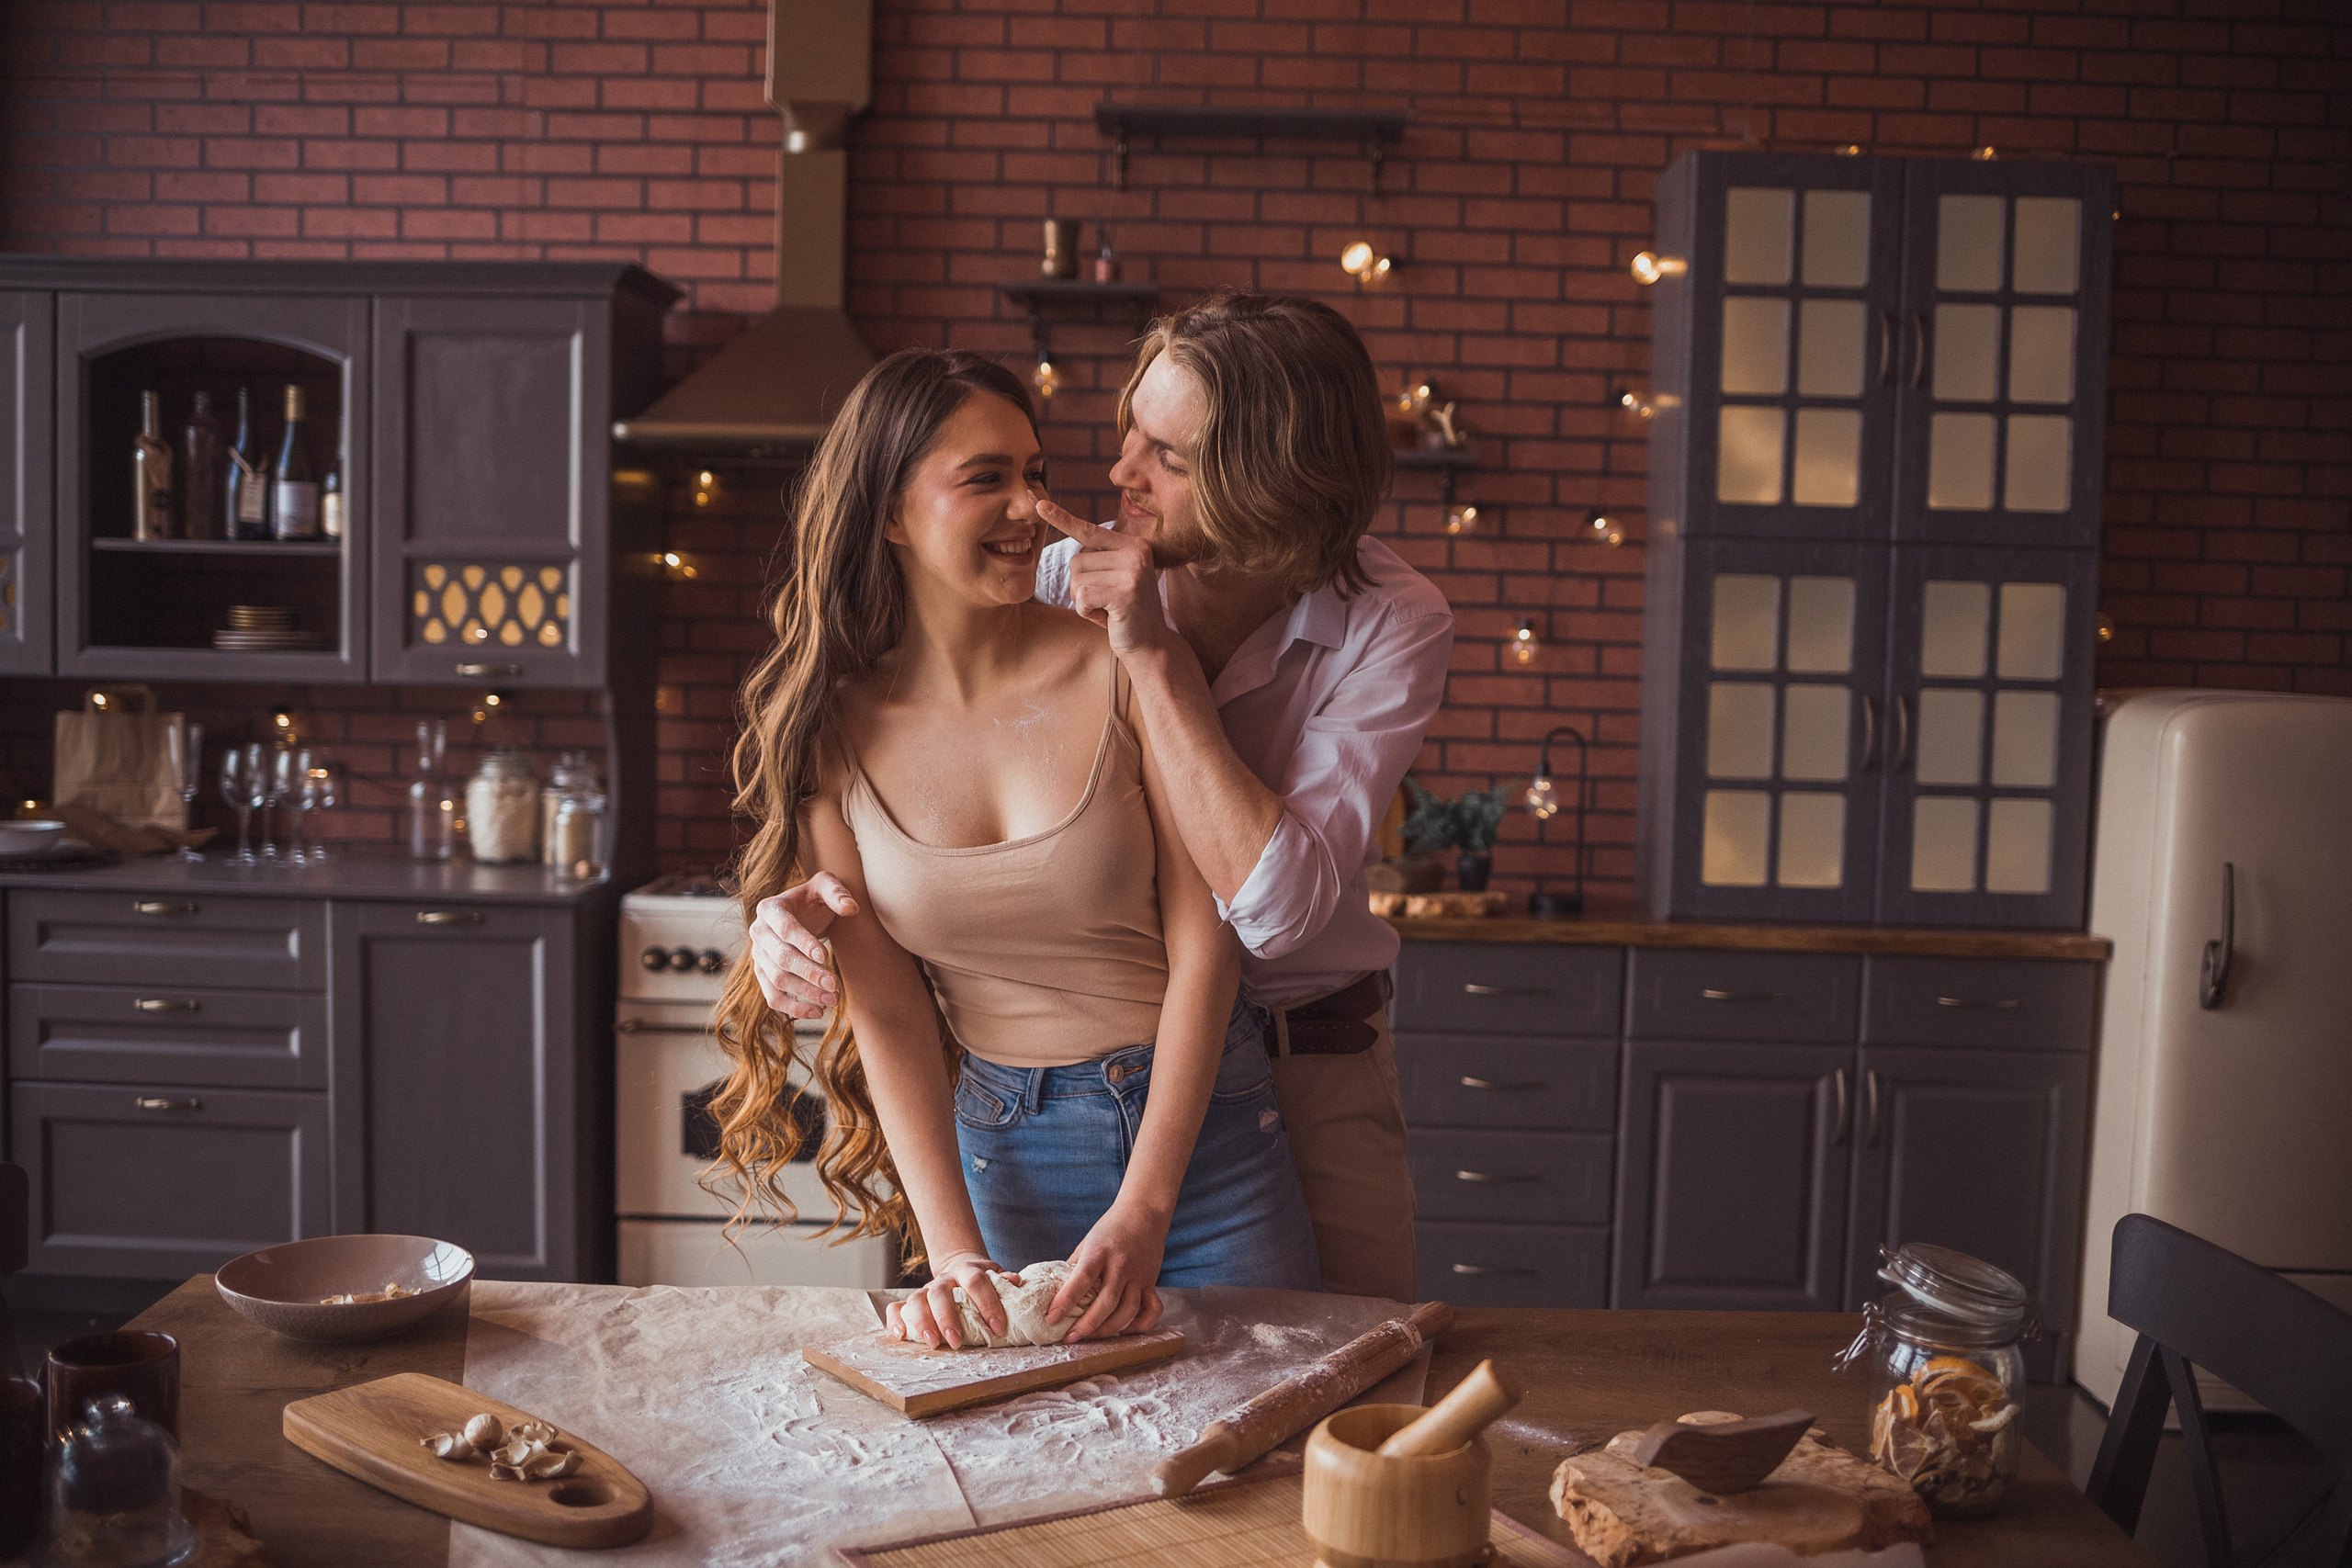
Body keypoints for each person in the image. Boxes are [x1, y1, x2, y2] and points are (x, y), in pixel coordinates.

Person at [752, 293, 1456, 1302]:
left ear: (1261, 481)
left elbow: (1264, 914)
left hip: (1307, 1046)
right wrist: (788, 912)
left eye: (1166, 454)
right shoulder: (1041, 582)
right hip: (1028, 1112)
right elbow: (890, 962)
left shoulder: (1385, 620)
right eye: (1131, 431)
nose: (1118, 473)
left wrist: (1153, 654)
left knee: (1354, 1355)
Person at [707, 345, 1320, 1350]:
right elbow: (891, 1011)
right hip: (1009, 1158)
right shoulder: (830, 729)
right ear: (890, 512)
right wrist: (953, 1253)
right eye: (985, 477)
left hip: (1207, 1144)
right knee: (1040, 1437)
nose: (1031, 506)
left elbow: (1205, 945)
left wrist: (1146, 1205)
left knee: (1266, 1417)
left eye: (1035, 472)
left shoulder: (1125, 660)